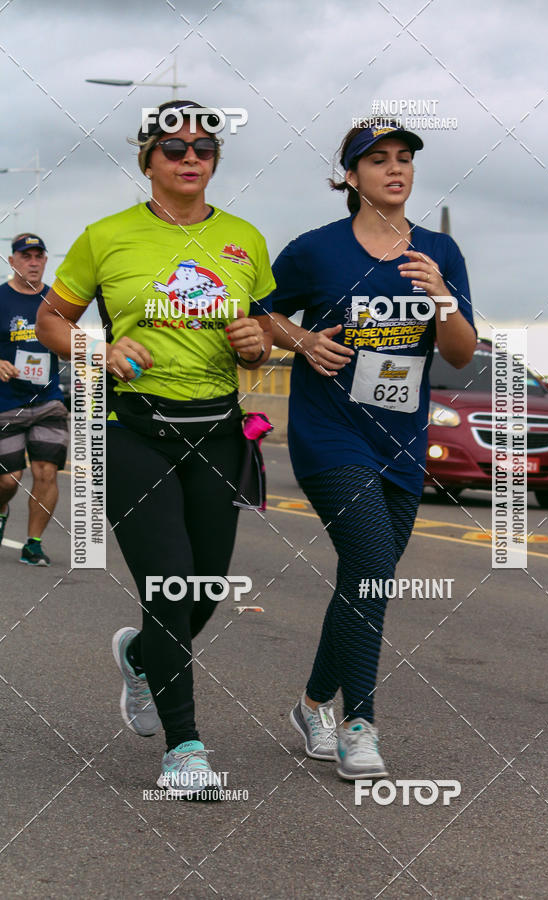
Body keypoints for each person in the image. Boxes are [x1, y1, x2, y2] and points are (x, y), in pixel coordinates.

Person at [36, 100, 274, 798]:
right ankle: (185, 748)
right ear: (147, 160)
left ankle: (141, 655)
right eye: (172, 147)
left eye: (204, 146)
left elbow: (260, 325)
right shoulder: (106, 237)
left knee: (201, 587)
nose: (190, 157)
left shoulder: (245, 238)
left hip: (218, 429)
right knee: (169, 580)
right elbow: (54, 318)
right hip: (131, 428)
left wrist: (259, 340)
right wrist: (97, 347)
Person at [266, 122, 476, 780]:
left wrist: (441, 296)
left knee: (369, 578)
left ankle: (309, 704)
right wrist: (301, 341)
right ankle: (360, 725)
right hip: (329, 434)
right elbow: (261, 312)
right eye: (377, 160)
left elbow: (461, 352)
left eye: (404, 159)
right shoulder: (316, 252)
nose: (395, 169)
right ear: (350, 177)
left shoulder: (440, 251)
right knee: (369, 559)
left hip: (403, 441)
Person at [0, 233, 68, 566]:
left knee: (46, 472)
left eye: (38, 256)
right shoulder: (0, 298)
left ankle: (33, 543)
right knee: (8, 478)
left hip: (48, 400)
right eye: (25, 256)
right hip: (5, 403)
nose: (33, 262)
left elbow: (69, 338)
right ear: (12, 261)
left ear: (45, 260)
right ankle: (1, 511)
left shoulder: (57, 299)